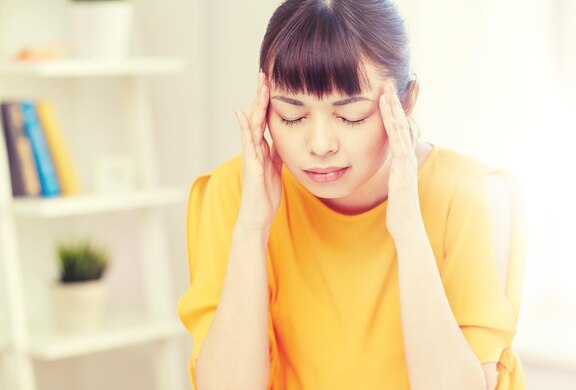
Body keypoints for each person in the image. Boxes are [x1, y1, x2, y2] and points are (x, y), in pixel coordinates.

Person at [178, 0, 527, 389]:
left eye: (351, 116)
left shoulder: (466, 195)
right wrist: (252, 229)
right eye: (291, 115)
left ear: (407, 101)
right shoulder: (238, 191)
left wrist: (409, 232)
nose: (320, 143)